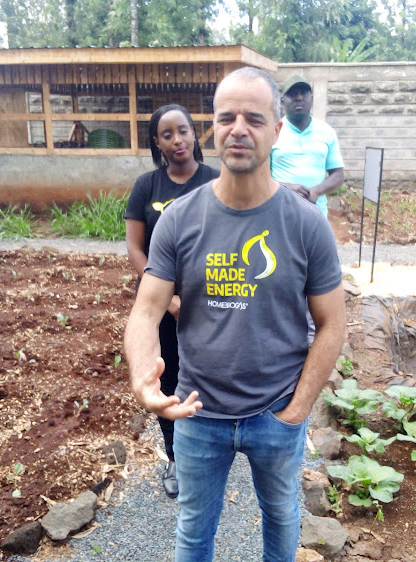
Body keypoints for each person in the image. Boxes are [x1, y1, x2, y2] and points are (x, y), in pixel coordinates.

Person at [124, 67, 346, 561]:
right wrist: (145, 379)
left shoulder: (306, 224)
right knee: (194, 529)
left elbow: (333, 324)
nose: (238, 128)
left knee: (282, 516)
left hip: (277, 412)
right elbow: (146, 311)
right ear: (214, 127)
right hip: (199, 411)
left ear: (277, 130)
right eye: (227, 117)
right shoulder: (181, 219)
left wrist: (298, 410)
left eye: (254, 118)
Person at [125, 104, 219, 499]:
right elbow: (134, 247)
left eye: (183, 131)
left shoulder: (216, 179)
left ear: (194, 134)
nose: (177, 140)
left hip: (213, 302)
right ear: (157, 143)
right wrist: (167, 299)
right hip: (163, 306)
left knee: (214, 374)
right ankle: (177, 457)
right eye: (167, 134)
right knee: (169, 377)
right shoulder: (148, 186)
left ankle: (214, 449)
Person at [270, 74, 344, 217]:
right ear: (283, 101)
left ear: (311, 98)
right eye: (292, 94)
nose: (299, 97)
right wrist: (287, 188)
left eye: (303, 93)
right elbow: (261, 176)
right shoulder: (272, 131)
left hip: (317, 214)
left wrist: (317, 190)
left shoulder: (326, 132)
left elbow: (338, 175)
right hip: (281, 214)